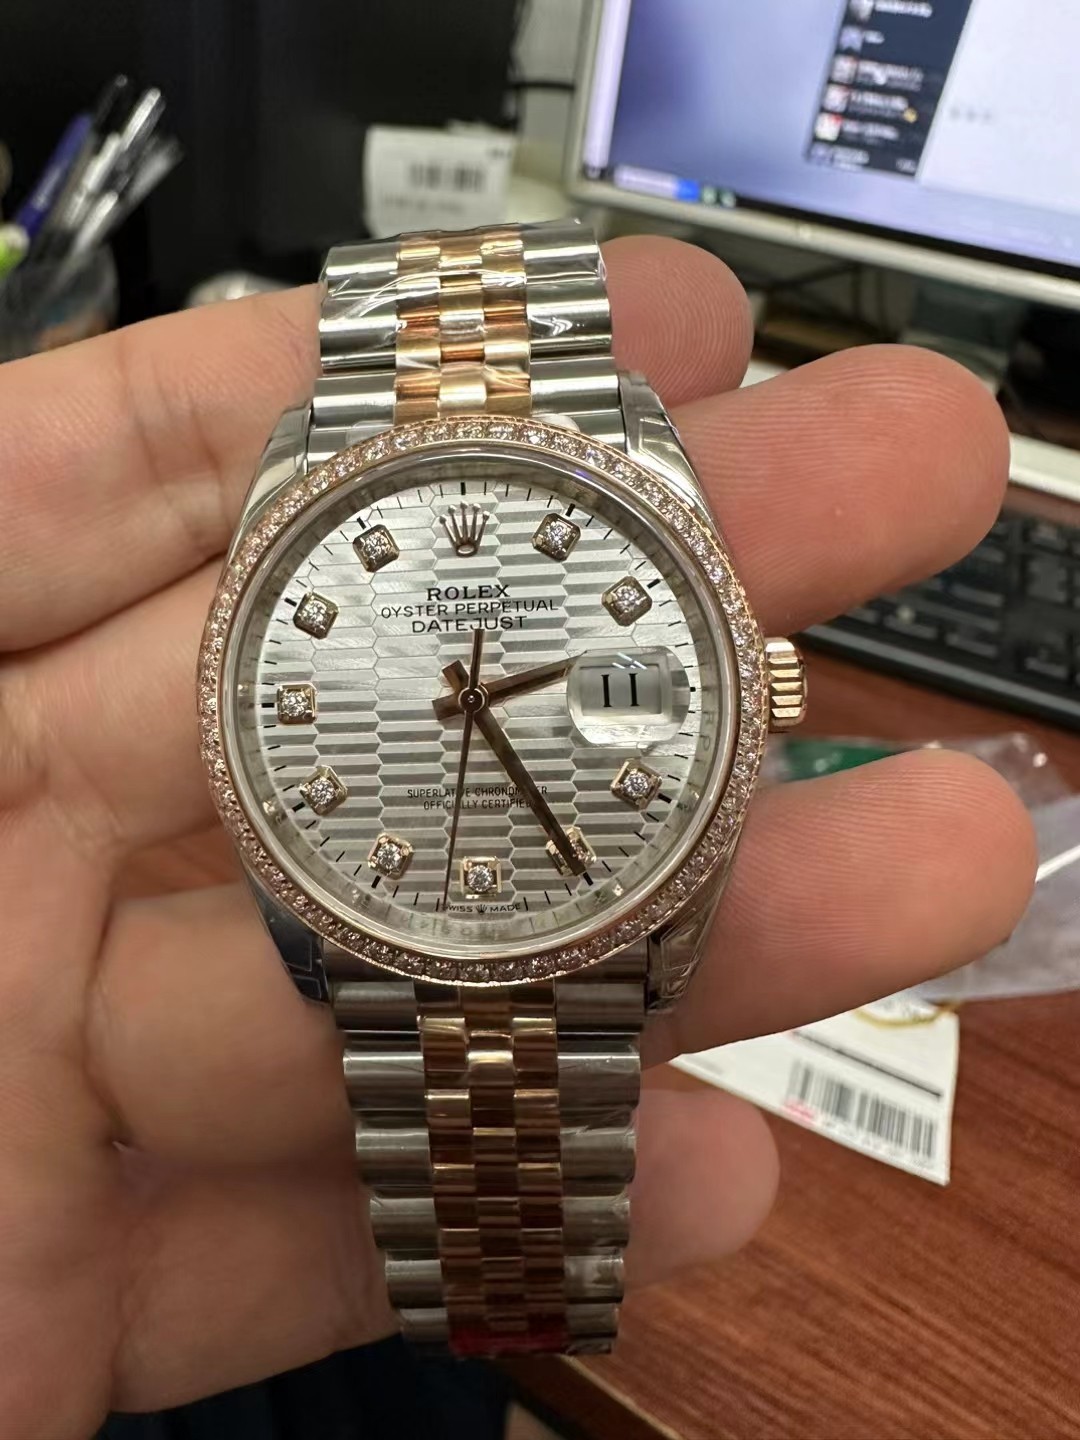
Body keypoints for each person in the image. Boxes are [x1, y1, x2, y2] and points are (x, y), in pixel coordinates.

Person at [0, 236, 1036, 1434]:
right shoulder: (330, 516)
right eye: (466, 694)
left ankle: (492, 1331)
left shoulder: (623, 480)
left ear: (756, 685)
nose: (469, 699)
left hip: (559, 902)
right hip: (396, 910)